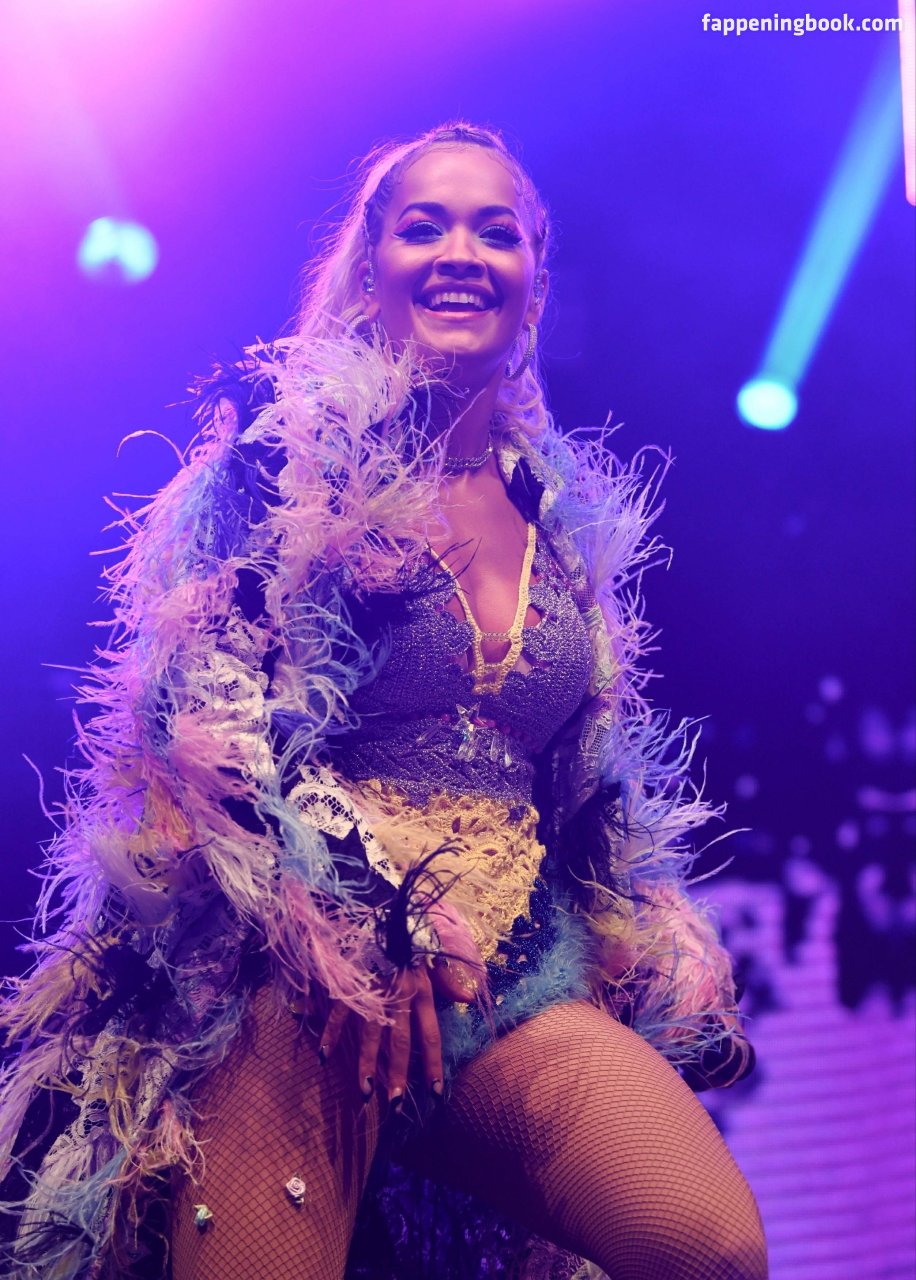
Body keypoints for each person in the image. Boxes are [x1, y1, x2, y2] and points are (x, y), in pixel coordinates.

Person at [0, 123, 768, 1279]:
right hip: (295, 985)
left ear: (534, 284)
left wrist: (633, 938)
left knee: (708, 1242)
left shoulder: (559, 524)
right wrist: (371, 907)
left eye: (495, 232)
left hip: (507, 985)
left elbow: (582, 791)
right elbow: (205, 729)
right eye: (424, 227)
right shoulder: (278, 470)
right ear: (371, 268)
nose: (460, 253)